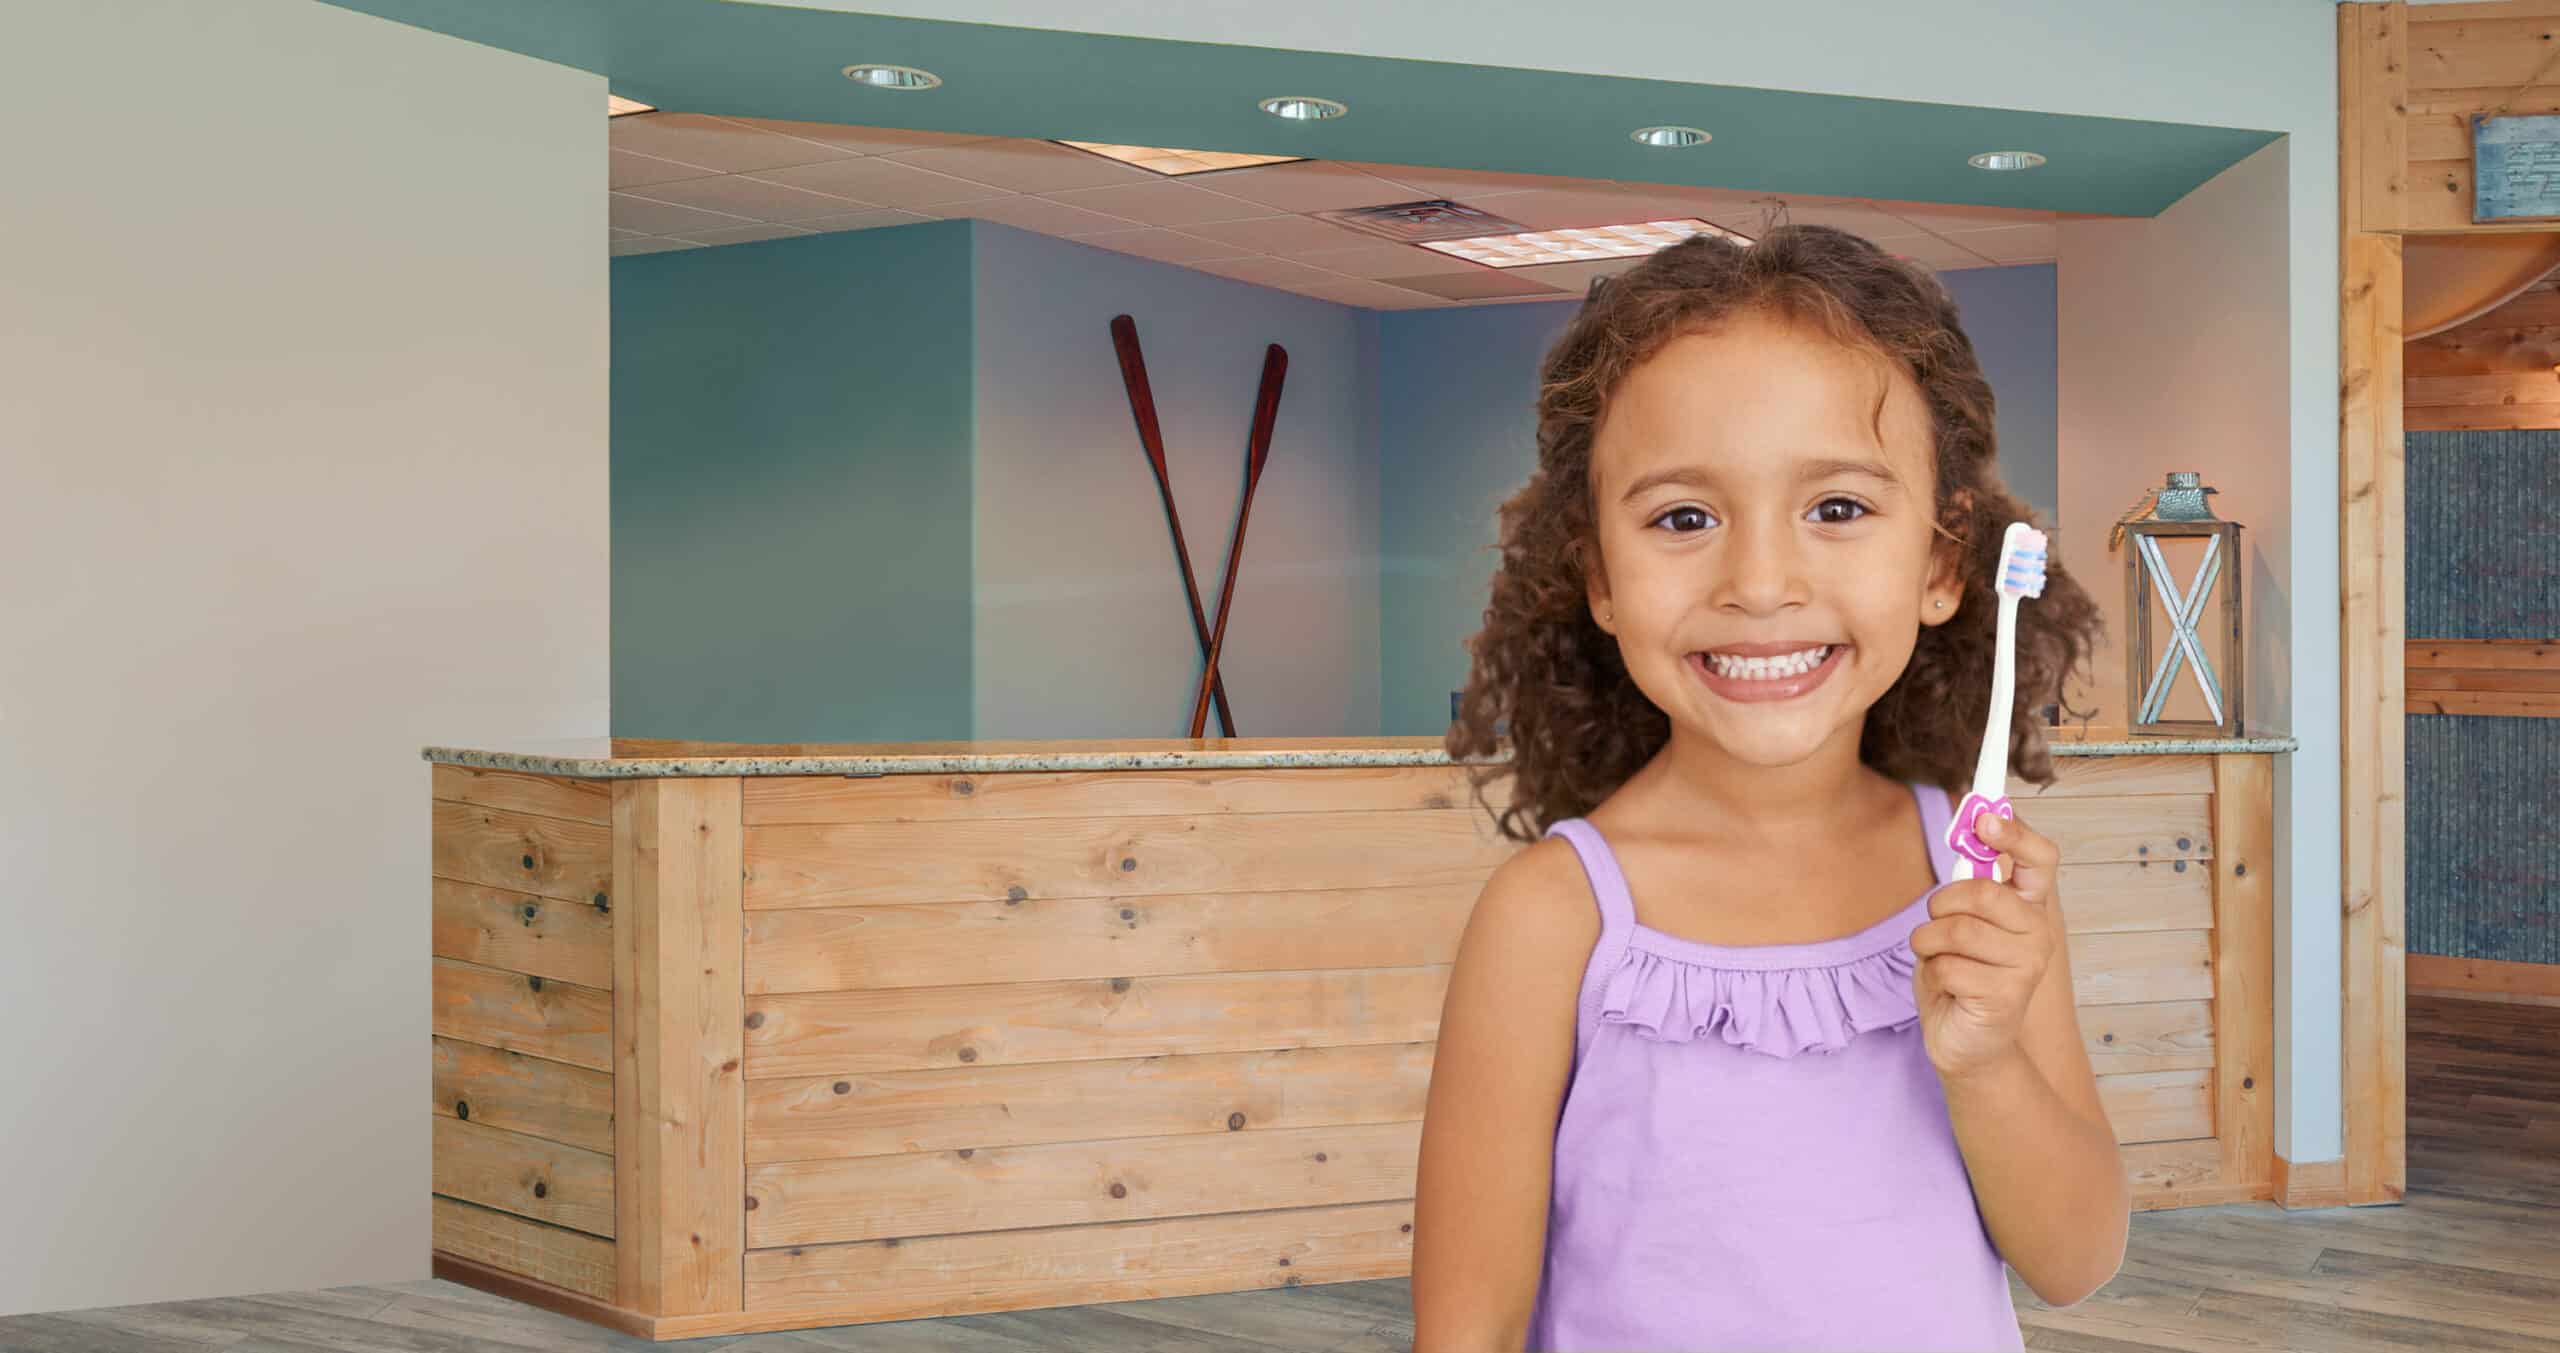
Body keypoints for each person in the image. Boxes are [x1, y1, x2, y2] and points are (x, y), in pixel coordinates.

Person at [1414, 225, 2129, 1353]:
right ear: (1599, 578)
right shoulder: (1552, 919)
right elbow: (1468, 1331)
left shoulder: (1976, 878)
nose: (1758, 584)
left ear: (1942, 565)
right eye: (1682, 519)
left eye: (1836, 508)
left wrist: (1982, 1059)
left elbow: (2075, 1259)